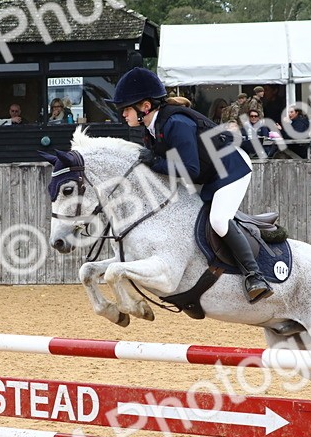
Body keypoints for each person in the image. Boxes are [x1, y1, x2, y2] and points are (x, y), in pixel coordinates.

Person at [112, 67, 272, 303]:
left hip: (232, 169)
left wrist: (156, 163)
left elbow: (190, 169)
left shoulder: (176, 123)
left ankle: (255, 276)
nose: (123, 114)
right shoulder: (151, 128)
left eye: (125, 108)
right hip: (208, 173)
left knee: (218, 221)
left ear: (145, 106)